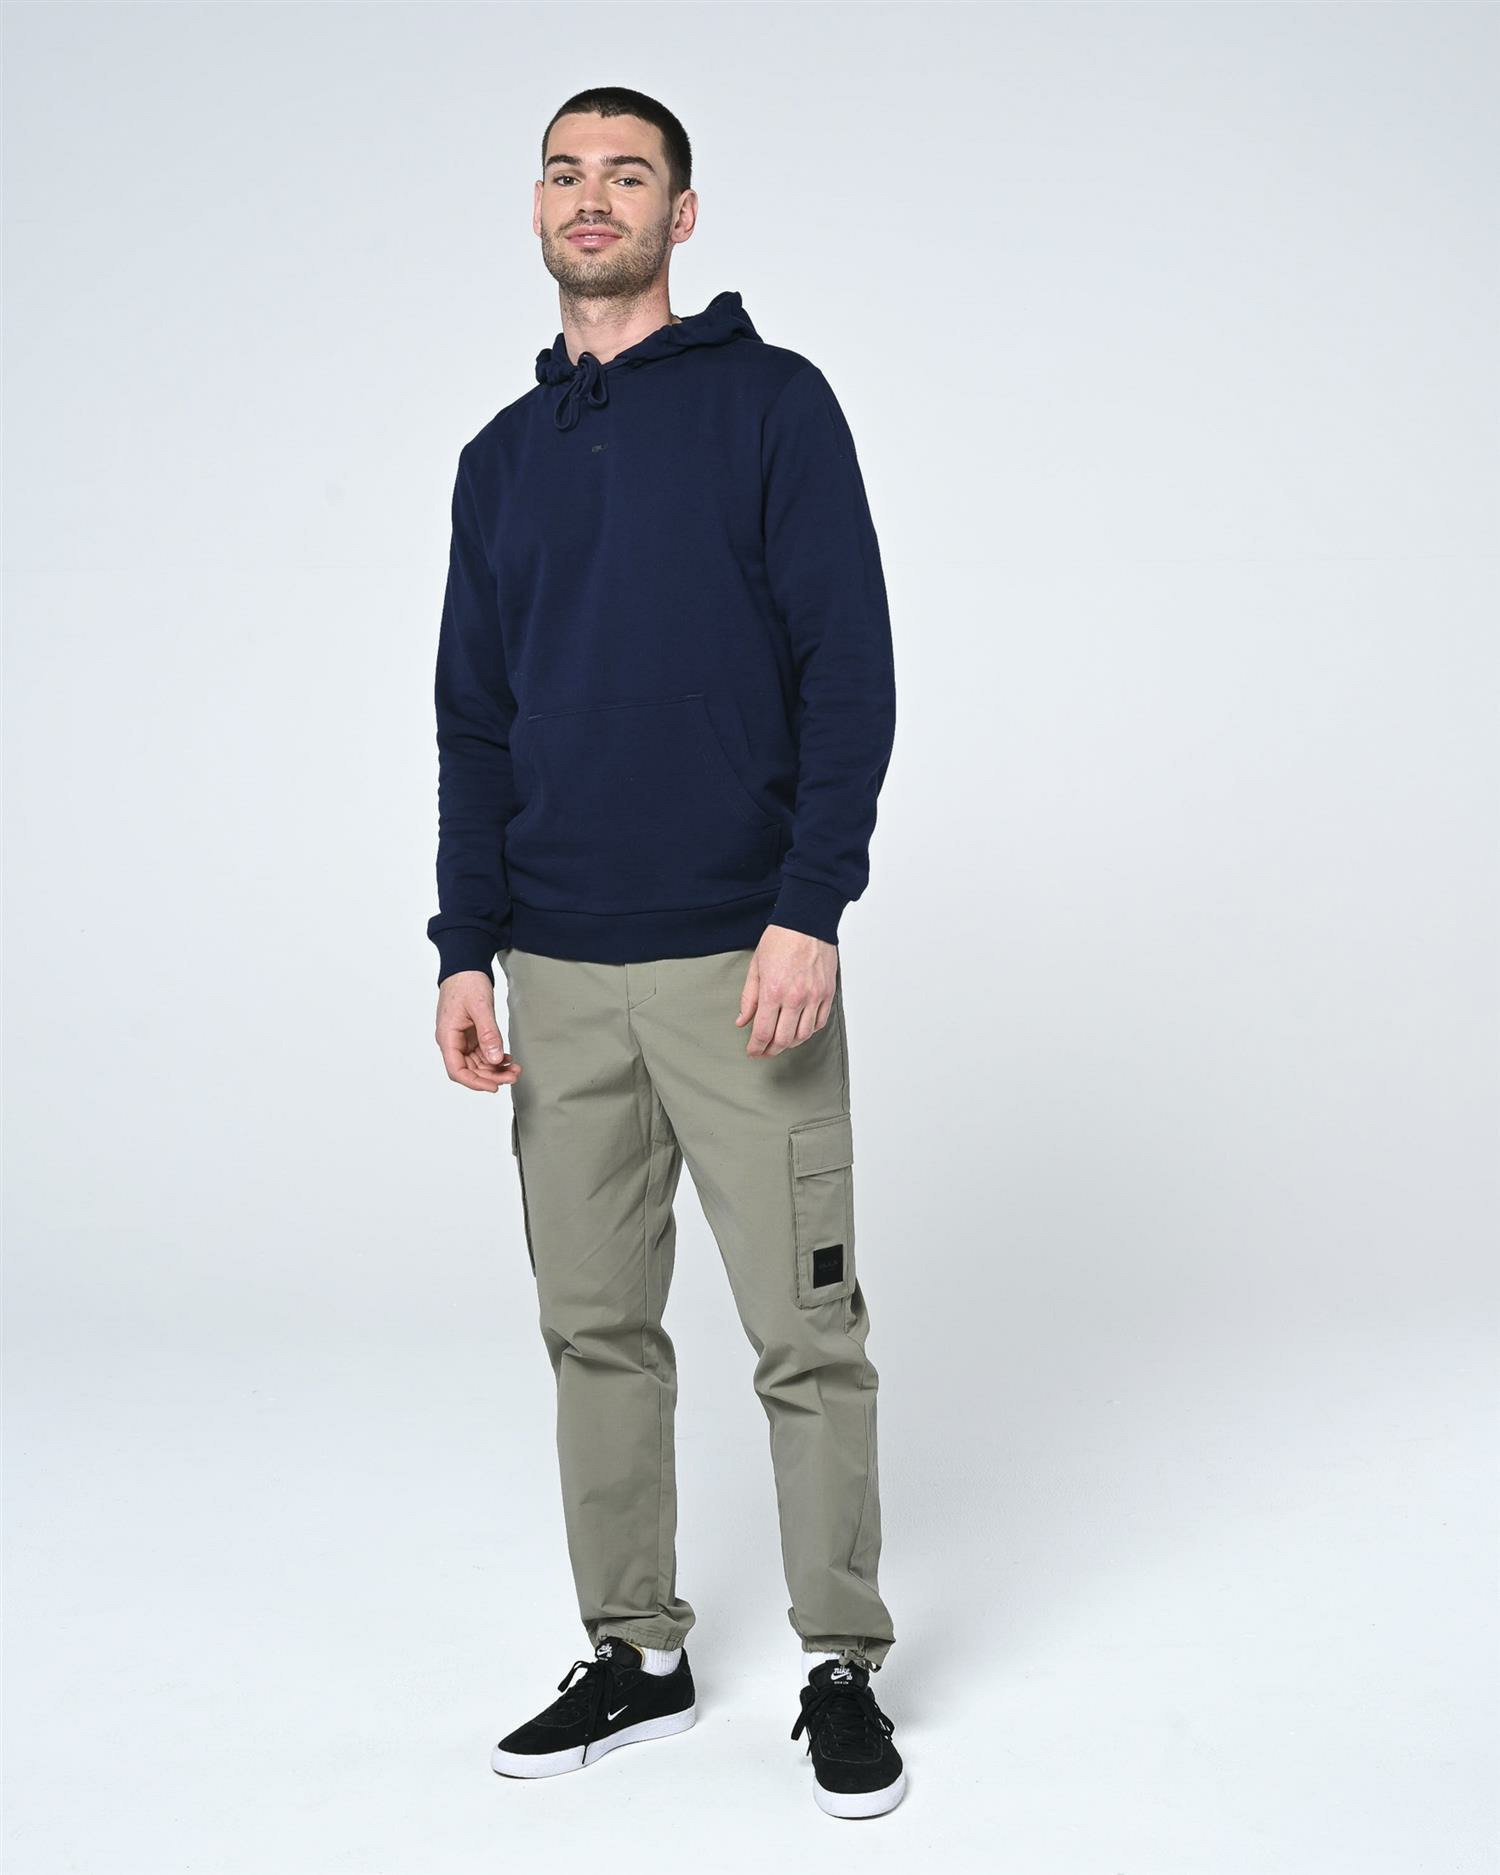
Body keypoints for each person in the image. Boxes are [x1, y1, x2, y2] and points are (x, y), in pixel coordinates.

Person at [425, 85, 903, 1820]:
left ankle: (843, 1661)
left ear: (680, 214)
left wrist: (810, 907)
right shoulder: (500, 459)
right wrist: (464, 944)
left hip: (740, 959)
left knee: (806, 1331)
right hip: (556, 971)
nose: (593, 196)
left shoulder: (774, 406)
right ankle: (637, 1652)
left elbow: (849, 668)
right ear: (537, 208)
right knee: (597, 1330)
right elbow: (475, 722)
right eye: (566, 171)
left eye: (628, 173)